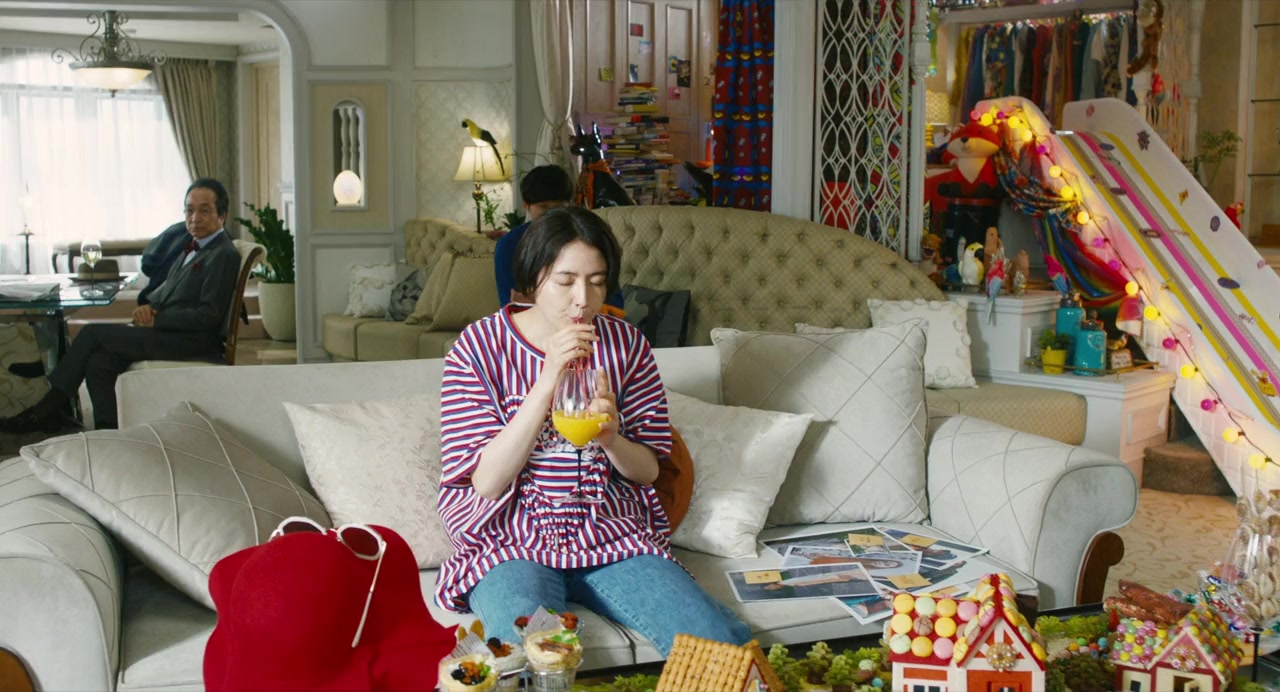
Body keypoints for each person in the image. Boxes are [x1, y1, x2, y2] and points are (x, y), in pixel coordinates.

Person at [436, 207, 749, 656]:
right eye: (565, 282)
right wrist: (548, 378)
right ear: (533, 278)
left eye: (597, 281)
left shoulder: (627, 346)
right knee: (527, 656)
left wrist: (611, 438)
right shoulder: (478, 348)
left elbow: (647, 472)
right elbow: (487, 482)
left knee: (713, 644)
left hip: (610, 537)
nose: (582, 300)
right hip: (510, 543)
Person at [0, 178, 242, 433]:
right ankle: (107, 430)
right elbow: (174, 293)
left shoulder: (223, 254)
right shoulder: (193, 246)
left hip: (192, 341)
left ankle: (43, 412)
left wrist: (157, 320)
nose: (195, 218)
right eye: (190, 210)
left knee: (92, 333)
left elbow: (209, 316)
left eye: (204, 211)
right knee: (99, 361)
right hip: (172, 332)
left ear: (222, 215)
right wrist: (151, 307)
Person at [494, 165, 623, 310]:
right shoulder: (509, 245)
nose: (551, 214)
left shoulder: (589, 237)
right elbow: (511, 305)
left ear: (570, 204)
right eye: (543, 207)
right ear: (526, 205)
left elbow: (614, 302)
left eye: (558, 206)